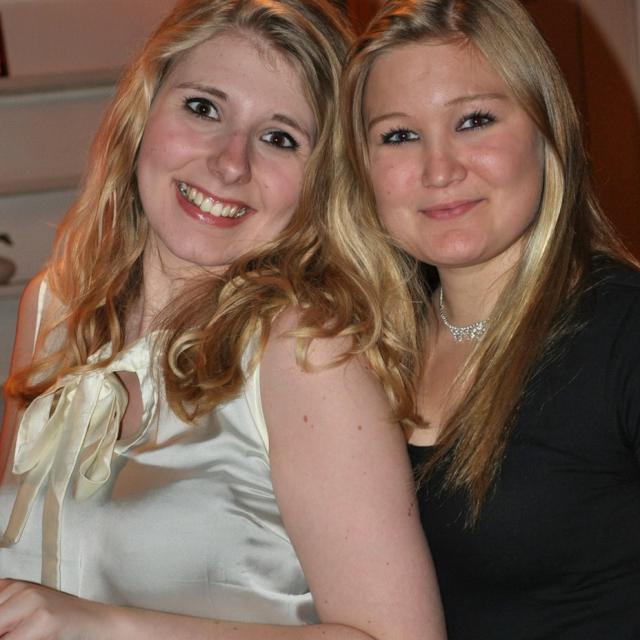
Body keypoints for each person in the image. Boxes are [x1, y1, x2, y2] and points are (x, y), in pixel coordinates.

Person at [0, 0, 447, 638]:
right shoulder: (54, 307)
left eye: (280, 138)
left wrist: (105, 627)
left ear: (322, 181)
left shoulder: (308, 353)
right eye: (203, 108)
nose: (231, 163)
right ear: (144, 112)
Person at [339, 0, 640, 637]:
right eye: (398, 135)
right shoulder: (359, 351)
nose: (439, 169)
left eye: (474, 121)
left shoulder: (624, 330)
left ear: (546, 127)